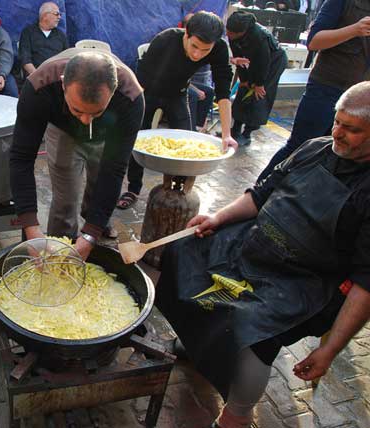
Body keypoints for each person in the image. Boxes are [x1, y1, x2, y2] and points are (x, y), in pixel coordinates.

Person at [156, 81, 370, 428]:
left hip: (303, 280)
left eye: (352, 129)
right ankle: (197, 346)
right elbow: (260, 194)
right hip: (255, 244)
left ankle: (237, 416)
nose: (337, 133)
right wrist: (217, 218)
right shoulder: (315, 148)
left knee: (248, 329)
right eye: (337, 122)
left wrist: (329, 350)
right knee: (184, 251)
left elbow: (365, 284)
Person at [9, 49, 145, 260]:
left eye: (96, 112)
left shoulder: (131, 97)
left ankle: (95, 226)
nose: (85, 121)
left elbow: (115, 169)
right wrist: (30, 228)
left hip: (108, 131)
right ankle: (60, 240)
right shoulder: (39, 87)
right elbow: (21, 158)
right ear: (63, 84)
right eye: (77, 110)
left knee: (100, 180)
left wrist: (91, 233)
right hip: (62, 128)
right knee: (65, 194)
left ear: (113, 91)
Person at [116, 11, 238, 210]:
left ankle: (178, 189)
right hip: (149, 92)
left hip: (178, 93)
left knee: (187, 141)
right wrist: (128, 116)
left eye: (205, 50)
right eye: (194, 46)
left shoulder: (219, 48)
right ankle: (133, 189)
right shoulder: (165, 40)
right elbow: (140, 84)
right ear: (186, 34)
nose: (197, 55)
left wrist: (226, 134)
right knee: (136, 139)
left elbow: (223, 91)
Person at [257, 0, 370, 180]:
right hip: (327, 87)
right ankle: (260, 191)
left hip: (360, 97)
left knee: (338, 157)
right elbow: (314, 41)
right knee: (300, 146)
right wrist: (354, 29)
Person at [227, 10, 288, 146]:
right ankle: (235, 129)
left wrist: (259, 84)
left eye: (232, 33)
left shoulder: (258, 37)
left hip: (273, 63)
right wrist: (244, 80)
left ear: (242, 32)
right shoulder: (233, 35)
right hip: (253, 62)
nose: (228, 34)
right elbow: (239, 59)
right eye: (228, 31)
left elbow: (263, 62)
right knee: (244, 90)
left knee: (258, 95)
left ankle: (247, 133)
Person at [18, 2, 69, 76]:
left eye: (60, 14)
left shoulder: (61, 35)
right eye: (56, 14)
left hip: (57, 77)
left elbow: (67, 57)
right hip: (35, 76)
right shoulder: (28, 33)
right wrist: (37, 76)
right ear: (45, 16)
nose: (59, 17)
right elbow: (25, 59)